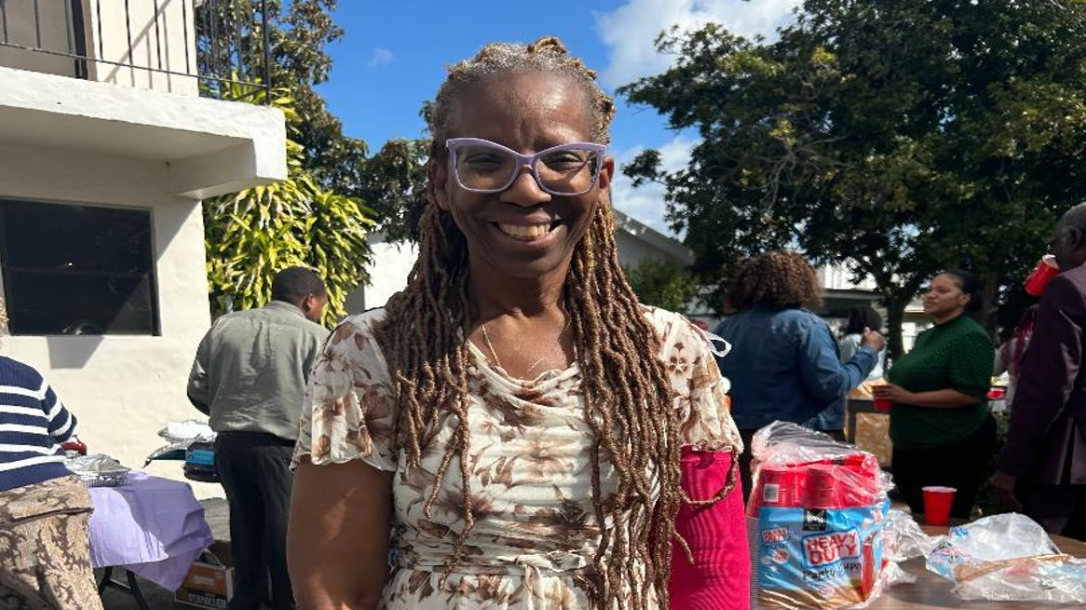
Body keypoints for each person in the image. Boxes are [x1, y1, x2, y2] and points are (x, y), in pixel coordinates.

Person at [287, 38, 747, 610]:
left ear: (601, 179)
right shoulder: (373, 352)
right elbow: (335, 590)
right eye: (486, 160)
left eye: (562, 160)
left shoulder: (668, 351)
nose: (527, 188)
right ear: (441, 181)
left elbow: (710, 575)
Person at [187, 267, 329, 610]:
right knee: (285, 539)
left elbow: (197, 387)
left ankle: (247, 602)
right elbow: (329, 399)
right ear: (310, 301)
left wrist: (230, 412)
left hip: (230, 447)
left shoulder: (225, 326)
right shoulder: (315, 337)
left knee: (245, 533)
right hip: (282, 450)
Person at [713, 251, 885, 500]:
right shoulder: (806, 325)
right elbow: (831, 385)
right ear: (801, 283)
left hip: (741, 441)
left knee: (750, 514)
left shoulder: (727, 328)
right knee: (801, 517)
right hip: (798, 444)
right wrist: (868, 352)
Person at [0, 299, 103, 610]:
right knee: (74, 595)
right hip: (61, 499)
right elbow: (67, 431)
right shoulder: (25, 375)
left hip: (7, 507)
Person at [992, 203, 1086, 540]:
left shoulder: (1069, 287)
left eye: (1054, 243)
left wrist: (1010, 466)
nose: (1053, 253)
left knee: (1052, 564)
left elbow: (1050, 386)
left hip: (1067, 468)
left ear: (1074, 237)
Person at [876, 270, 995, 519]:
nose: (931, 295)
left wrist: (910, 398)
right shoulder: (926, 336)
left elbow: (971, 393)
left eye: (942, 291)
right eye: (929, 289)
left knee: (941, 521)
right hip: (912, 444)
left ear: (964, 298)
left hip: (949, 445)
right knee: (920, 517)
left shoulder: (969, 336)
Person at [992, 305, 1039, 408]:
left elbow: (995, 372)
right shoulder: (1050, 347)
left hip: (1012, 400)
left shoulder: (1011, 345)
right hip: (1038, 403)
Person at [839, 305, 887, 399]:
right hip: (880, 384)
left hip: (859, 386)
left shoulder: (851, 339)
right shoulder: (880, 339)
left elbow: (846, 363)